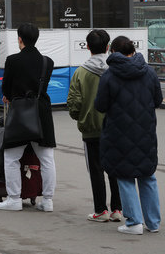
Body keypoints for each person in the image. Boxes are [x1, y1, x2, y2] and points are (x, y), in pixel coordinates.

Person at [95, 36, 162, 235]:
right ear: (133, 50)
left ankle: (134, 222)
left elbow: (100, 106)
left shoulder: (109, 76)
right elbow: (157, 100)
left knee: (124, 176)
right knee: (147, 176)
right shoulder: (149, 72)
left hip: (118, 134)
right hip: (146, 132)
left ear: (113, 51)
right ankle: (153, 222)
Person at [0, 23, 56, 212]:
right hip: (41, 112)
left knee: (11, 156)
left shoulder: (13, 60)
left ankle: (14, 199)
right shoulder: (48, 62)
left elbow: (6, 88)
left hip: (21, 111)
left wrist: (11, 94)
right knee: (46, 158)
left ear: (20, 38)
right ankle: (47, 201)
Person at [67, 30, 122, 223]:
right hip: (115, 127)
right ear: (108, 47)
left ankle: (101, 210)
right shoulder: (116, 70)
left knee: (96, 170)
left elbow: (74, 103)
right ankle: (117, 209)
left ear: (87, 46)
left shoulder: (80, 72)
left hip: (91, 129)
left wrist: (80, 117)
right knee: (115, 168)